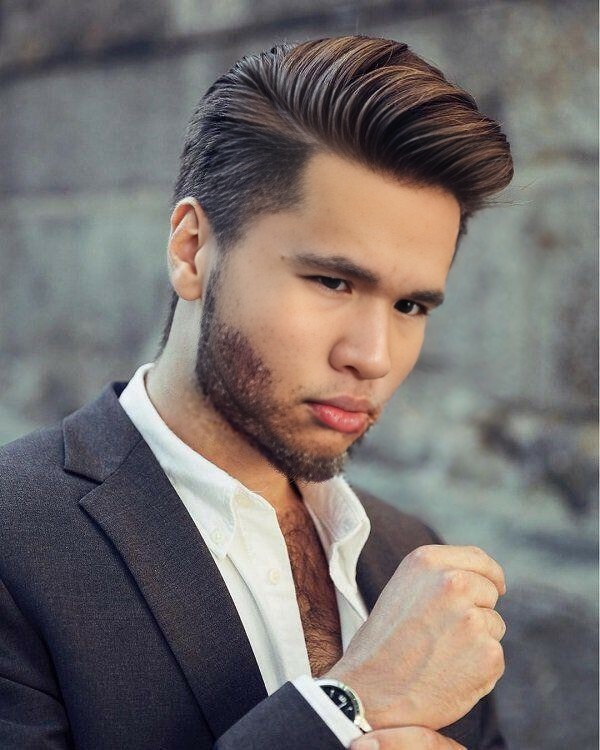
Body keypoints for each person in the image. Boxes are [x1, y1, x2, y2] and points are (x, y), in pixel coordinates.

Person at [0, 35, 513, 750]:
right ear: (191, 251)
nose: (372, 357)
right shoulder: (16, 538)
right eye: (333, 281)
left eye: (410, 306)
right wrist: (348, 703)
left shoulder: (411, 554)